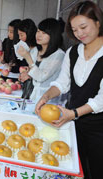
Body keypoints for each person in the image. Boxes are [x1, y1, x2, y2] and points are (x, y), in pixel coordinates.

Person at [35, 1, 103, 178]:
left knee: (96, 169)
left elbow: (101, 100)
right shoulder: (73, 52)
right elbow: (62, 83)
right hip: (73, 123)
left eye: (83, 27)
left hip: (99, 128)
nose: (79, 34)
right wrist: (46, 96)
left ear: (98, 22)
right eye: (74, 30)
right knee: (75, 167)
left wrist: (73, 113)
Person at [17, 18, 65, 101]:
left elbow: (41, 76)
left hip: (48, 99)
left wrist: (28, 57)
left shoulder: (59, 55)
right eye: (38, 31)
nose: (39, 35)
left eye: (44, 33)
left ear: (53, 35)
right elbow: (34, 71)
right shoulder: (35, 50)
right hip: (33, 95)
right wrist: (27, 73)